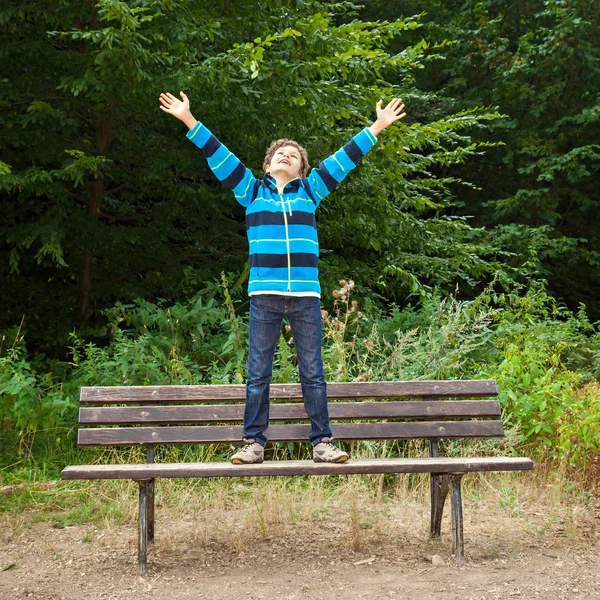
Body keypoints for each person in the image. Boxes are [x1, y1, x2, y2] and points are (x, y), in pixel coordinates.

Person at [159, 91, 406, 464]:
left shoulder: (310, 190)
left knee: (313, 373)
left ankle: (322, 442)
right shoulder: (252, 191)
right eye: (279, 153)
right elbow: (219, 155)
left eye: (293, 155)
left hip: (306, 296)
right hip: (265, 295)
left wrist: (377, 126)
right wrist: (189, 119)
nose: (285, 155)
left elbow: (344, 159)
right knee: (258, 374)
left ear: (302, 170)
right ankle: (254, 443)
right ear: (268, 164)